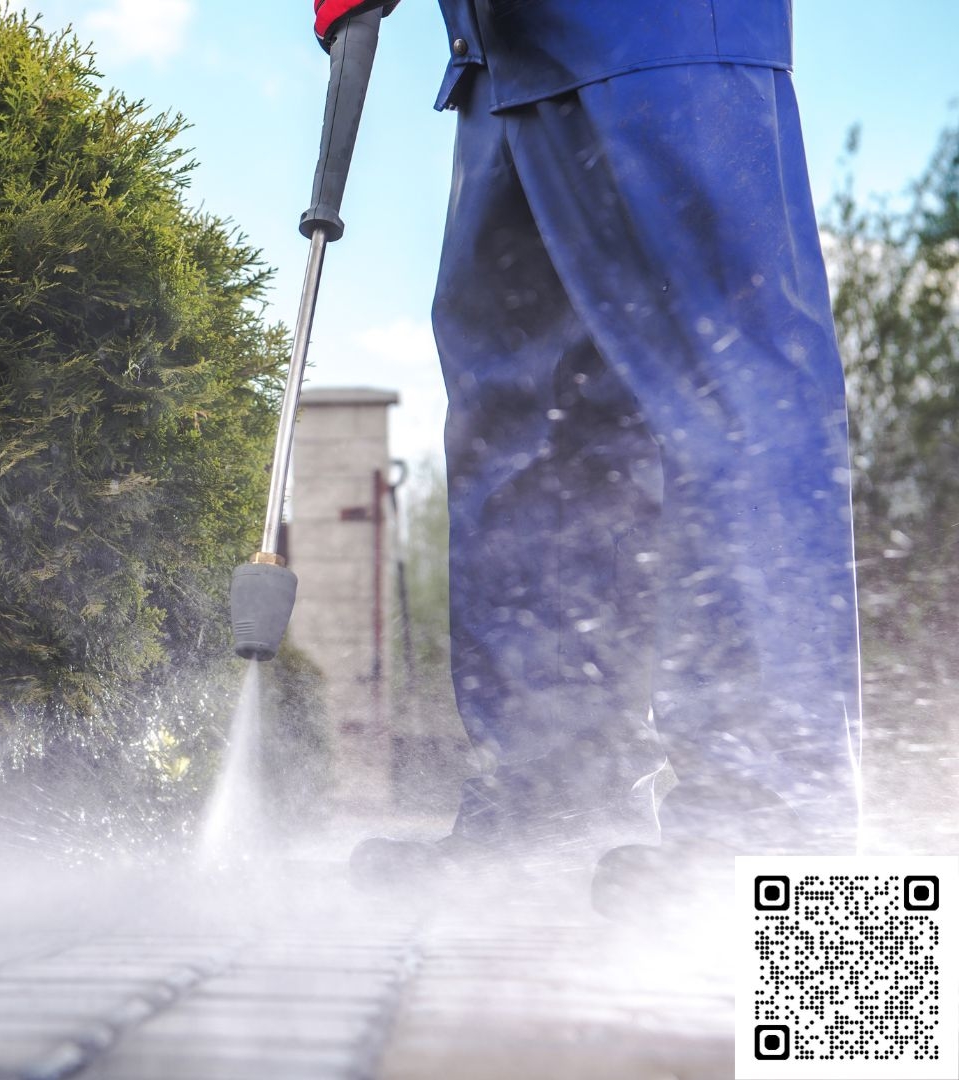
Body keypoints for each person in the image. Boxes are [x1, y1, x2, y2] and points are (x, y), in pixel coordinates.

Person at [311, 0, 864, 911]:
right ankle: (553, 801)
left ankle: (779, 839)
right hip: (501, 60)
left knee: (733, 382)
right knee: (529, 421)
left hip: (660, 34)